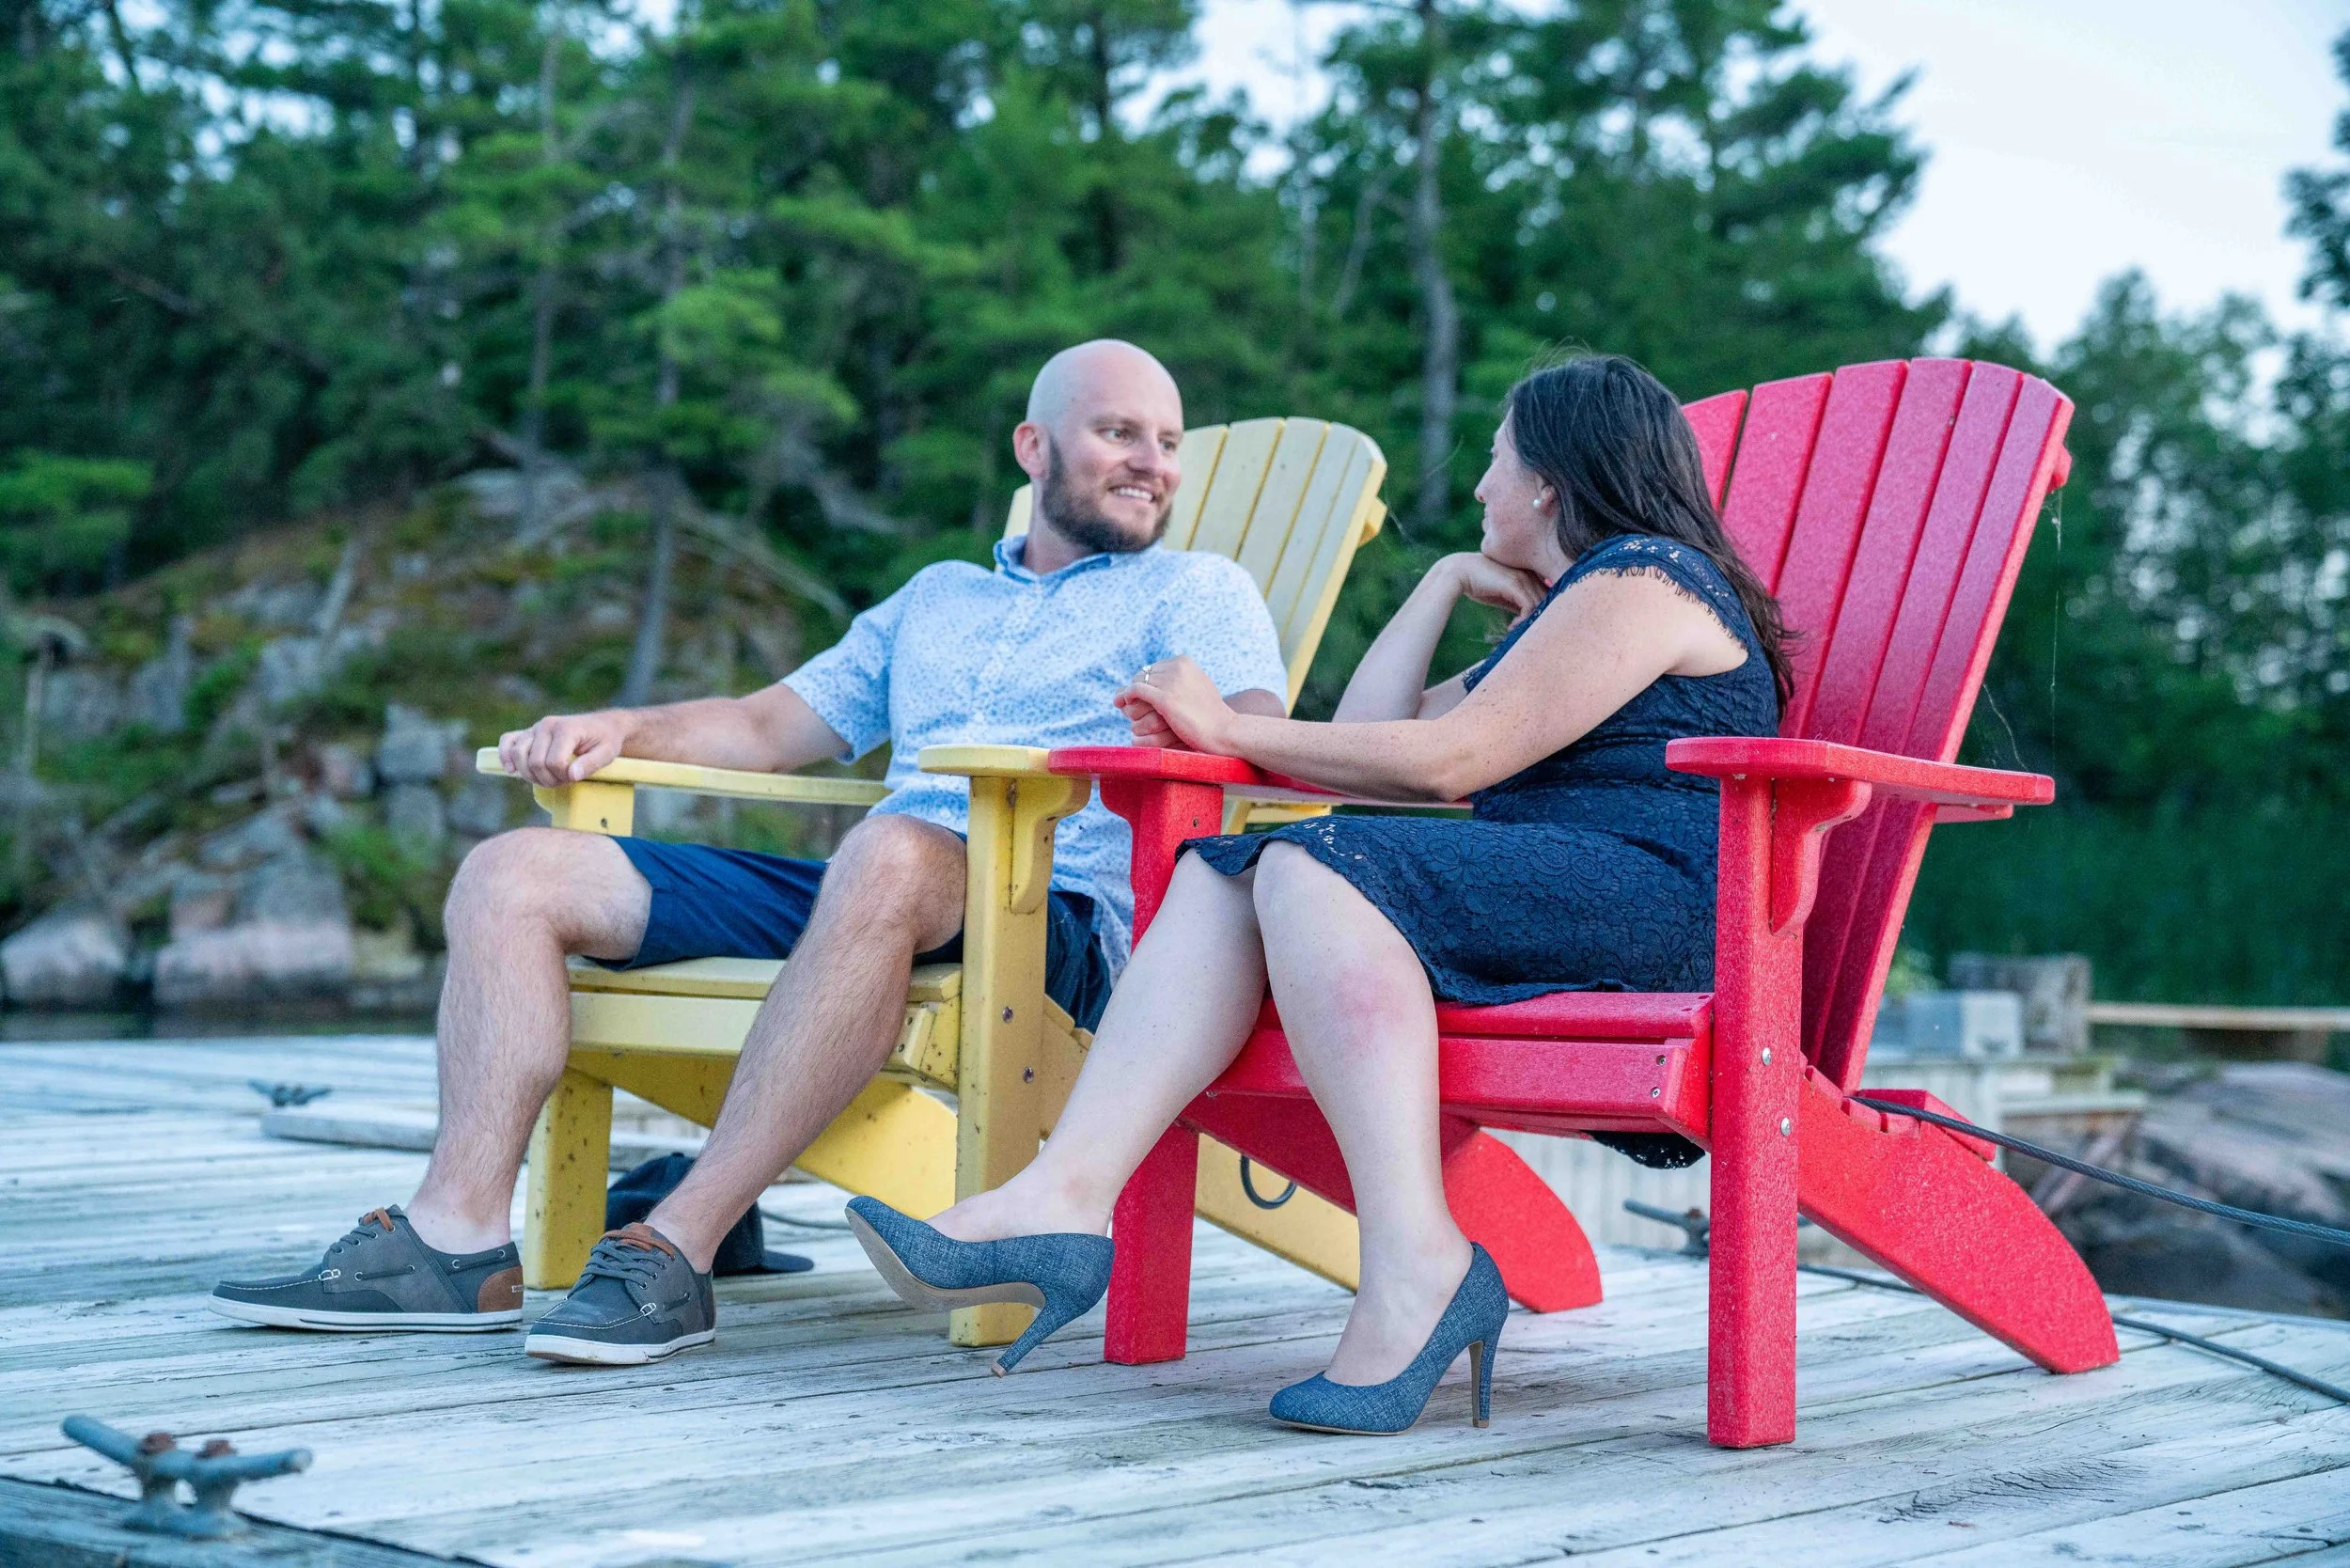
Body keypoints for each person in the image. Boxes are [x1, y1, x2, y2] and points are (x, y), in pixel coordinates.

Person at [209, 340, 1292, 1364]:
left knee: (887, 848)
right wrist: (621, 729)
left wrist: (1195, 722)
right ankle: (456, 1242)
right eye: (1119, 433)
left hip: (1049, 913)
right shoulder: (935, 598)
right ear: (1033, 449)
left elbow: (1255, 733)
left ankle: (675, 1247)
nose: (1152, 463)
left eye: (1167, 441)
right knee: (512, 876)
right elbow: (771, 727)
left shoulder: (1195, 592)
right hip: (884, 882)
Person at [844, 353, 1792, 1434]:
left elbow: (1446, 766)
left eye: (1495, 461)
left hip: (1665, 910)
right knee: (1218, 877)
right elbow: (1359, 739)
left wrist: (1226, 727)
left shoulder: (1643, 578)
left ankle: (1418, 1263)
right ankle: (1058, 1201)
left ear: (1546, 480)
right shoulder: (1577, 614)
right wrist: (1439, 583)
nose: (1480, 488)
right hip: (1557, 888)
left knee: (1307, 860)